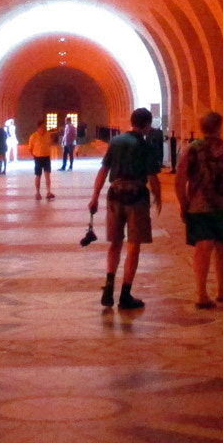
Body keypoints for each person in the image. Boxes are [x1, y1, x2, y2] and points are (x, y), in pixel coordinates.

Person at [88, 107, 164, 310]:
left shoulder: (116, 141)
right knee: (133, 246)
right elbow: (152, 177)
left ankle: (108, 287)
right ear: (147, 125)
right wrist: (158, 196)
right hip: (137, 199)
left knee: (115, 243)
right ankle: (125, 294)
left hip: (115, 196)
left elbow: (104, 169)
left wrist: (94, 196)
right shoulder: (146, 146)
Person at [176, 111, 223, 307]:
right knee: (222, 246)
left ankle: (201, 293)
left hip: (199, 205)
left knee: (203, 247)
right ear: (220, 127)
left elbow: (180, 178)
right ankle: (221, 289)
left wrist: (183, 202)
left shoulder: (190, 149)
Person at [28, 122, 56, 200]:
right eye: (42, 127)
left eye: (44, 127)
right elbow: (30, 148)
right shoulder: (33, 136)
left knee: (47, 175)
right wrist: (34, 155)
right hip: (38, 158)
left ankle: (48, 192)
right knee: (38, 175)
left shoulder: (47, 135)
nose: (43, 129)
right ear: (38, 127)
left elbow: (49, 144)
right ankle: (37, 192)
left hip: (46, 157)